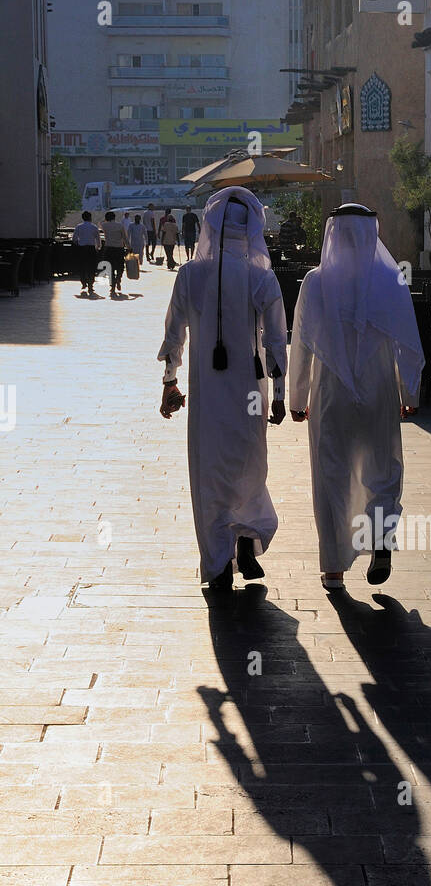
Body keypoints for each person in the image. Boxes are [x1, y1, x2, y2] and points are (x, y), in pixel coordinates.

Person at [157, 187, 288, 591]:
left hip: (207, 395)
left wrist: (169, 382)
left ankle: (216, 561)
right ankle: (246, 535)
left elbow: (174, 332)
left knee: (209, 471)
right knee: (249, 465)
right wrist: (281, 393)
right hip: (250, 391)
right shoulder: (261, 277)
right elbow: (275, 341)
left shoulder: (190, 275)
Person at [288, 203, 424, 591]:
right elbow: (407, 343)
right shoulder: (390, 279)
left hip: (331, 397)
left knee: (332, 477)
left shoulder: (315, 282)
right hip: (379, 391)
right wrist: (408, 391)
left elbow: (301, 345)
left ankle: (333, 568)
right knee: (382, 470)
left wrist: (296, 398)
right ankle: (380, 540)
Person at [71, 210, 101, 295]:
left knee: (82, 266)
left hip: (82, 249)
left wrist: (78, 245)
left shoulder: (78, 227)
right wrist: (98, 248)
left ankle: (83, 282)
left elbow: (74, 239)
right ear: (90, 218)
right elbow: (98, 240)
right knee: (92, 267)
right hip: (91, 249)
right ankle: (91, 285)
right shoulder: (94, 227)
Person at [102, 210, 129, 295]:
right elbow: (125, 238)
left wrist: (105, 219)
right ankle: (118, 279)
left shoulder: (104, 225)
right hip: (119, 249)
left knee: (110, 268)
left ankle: (112, 286)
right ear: (114, 217)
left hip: (109, 249)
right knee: (120, 267)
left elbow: (101, 222)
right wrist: (129, 247)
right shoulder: (120, 226)